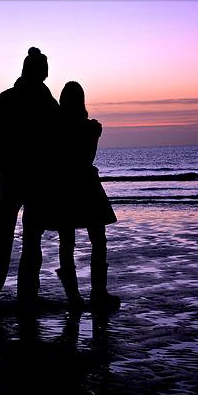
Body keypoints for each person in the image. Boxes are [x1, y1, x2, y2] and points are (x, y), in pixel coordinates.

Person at [0, 47, 59, 308]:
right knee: (26, 240)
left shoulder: (8, 99)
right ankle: (21, 295)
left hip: (18, 180)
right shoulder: (46, 104)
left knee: (4, 239)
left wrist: (1, 172)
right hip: (29, 181)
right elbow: (58, 143)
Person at [55, 81, 120, 312]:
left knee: (67, 243)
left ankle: (74, 297)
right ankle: (98, 292)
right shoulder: (92, 128)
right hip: (87, 185)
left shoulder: (57, 128)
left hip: (64, 187)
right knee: (98, 241)